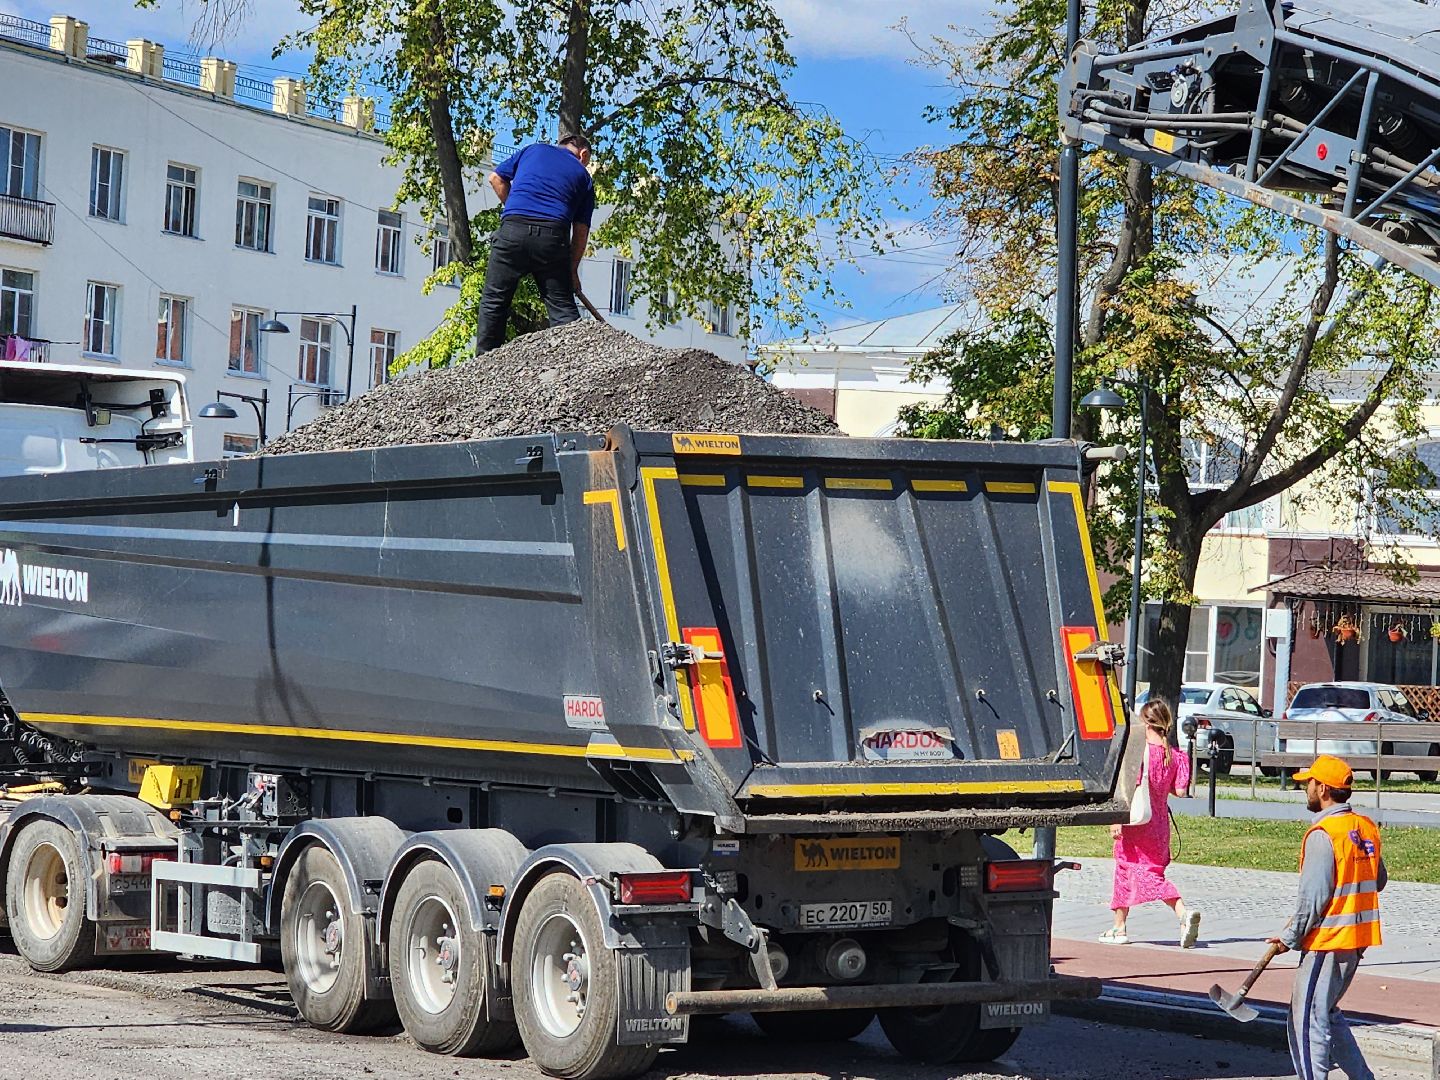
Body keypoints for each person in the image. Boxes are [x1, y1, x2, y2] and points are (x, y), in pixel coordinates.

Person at [1267, 754, 1385, 1080]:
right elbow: (1378, 880)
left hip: (1327, 942)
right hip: (1356, 940)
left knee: (1306, 1022)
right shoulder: (1365, 828)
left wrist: (1288, 939)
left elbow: (1313, 901)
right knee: (1327, 1012)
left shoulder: (1324, 834)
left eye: (1309, 782)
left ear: (1322, 789)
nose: (1306, 788)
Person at [475, 133, 597, 353]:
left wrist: (516, 211)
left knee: (494, 301)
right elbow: (581, 231)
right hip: (552, 238)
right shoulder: (584, 177)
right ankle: (573, 362)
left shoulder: (532, 150)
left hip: (512, 231)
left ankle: (483, 361)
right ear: (583, 154)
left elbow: (495, 178)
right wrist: (572, 270)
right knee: (562, 309)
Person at [1100, 700, 1202, 947]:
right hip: (1159, 824)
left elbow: (1127, 787)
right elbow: (1180, 790)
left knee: (1132, 869)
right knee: (1139, 869)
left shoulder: (1140, 753)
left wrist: (1115, 819)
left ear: (1145, 723)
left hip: (1135, 822)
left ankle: (1182, 912)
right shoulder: (1174, 755)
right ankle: (1119, 926)